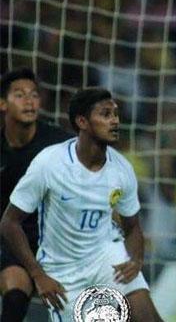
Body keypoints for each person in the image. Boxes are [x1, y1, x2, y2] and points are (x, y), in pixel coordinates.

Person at [0, 88, 163, 322]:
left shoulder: (122, 169)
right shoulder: (50, 163)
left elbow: (133, 227)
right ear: (82, 121)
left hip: (107, 257)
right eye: (106, 114)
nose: (115, 121)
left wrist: (136, 260)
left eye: (115, 114)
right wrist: (38, 275)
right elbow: (9, 223)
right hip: (63, 271)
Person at [0, 68, 72, 322]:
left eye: (34, 95)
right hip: (13, 239)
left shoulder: (59, 145)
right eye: (20, 95)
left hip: (58, 241)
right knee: (15, 294)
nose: (29, 101)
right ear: (2, 103)